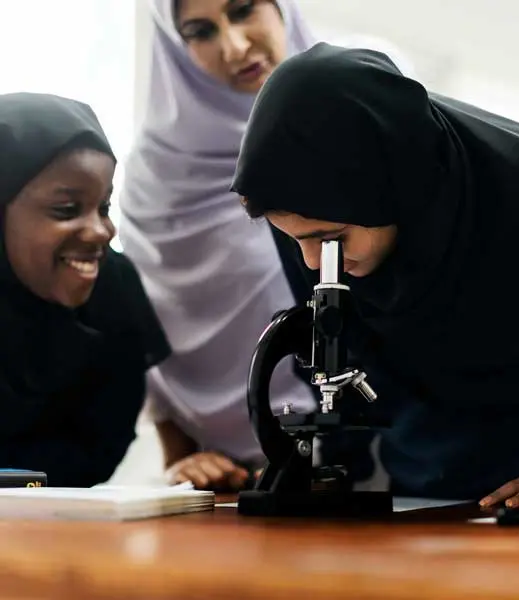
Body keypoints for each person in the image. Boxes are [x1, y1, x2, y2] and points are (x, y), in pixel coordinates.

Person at [232, 42, 519, 509]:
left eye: (329, 238)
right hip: (436, 491)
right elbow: (348, 363)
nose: (310, 262)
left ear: (398, 185)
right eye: (291, 238)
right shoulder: (314, 219)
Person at [118, 0, 411, 491]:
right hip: (228, 483)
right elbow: (158, 339)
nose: (234, 46)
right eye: (200, 31)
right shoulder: (154, 181)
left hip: (384, 462)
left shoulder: (361, 126)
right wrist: (181, 465)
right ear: (172, 46)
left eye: (243, 10)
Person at [0, 92, 171, 487]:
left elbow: (101, 444)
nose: (100, 231)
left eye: (105, 207)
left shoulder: (114, 289)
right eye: (66, 209)